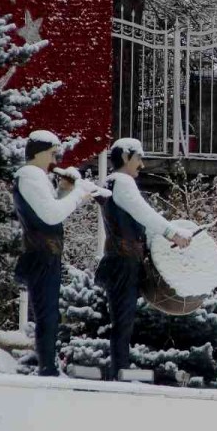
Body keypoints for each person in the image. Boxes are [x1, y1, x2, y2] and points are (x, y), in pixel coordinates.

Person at [97, 138, 192, 381]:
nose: (142, 163)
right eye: (139, 157)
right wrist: (172, 233)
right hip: (122, 262)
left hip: (123, 260)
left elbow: (141, 221)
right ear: (127, 157)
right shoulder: (122, 182)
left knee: (124, 319)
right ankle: (119, 371)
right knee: (123, 320)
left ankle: (120, 368)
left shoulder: (116, 183)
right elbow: (144, 213)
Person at [12, 130, 103, 376]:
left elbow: (50, 211)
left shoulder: (37, 177)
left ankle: (48, 364)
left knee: (49, 312)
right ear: (39, 152)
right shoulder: (30, 175)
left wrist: (63, 191)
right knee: (46, 314)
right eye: (52, 153)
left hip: (46, 255)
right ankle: (47, 367)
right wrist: (78, 194)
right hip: (40, 255)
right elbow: (52, 215)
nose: (55, 159)